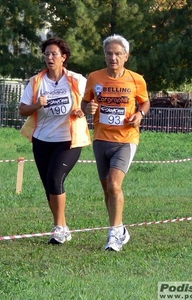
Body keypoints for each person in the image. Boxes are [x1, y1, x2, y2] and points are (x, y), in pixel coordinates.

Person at [81, 34, 150, 251]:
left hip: (126, 139)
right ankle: (120, 229)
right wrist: (87, 108)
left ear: (126, 56)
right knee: (107, 190)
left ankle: (113, 235)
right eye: (109, 53)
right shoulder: (94, 77)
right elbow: (86, 102)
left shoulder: (136, 79)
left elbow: (145, 102)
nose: (113, 57)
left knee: (114, 184)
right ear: (104, 55)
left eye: (118, 54)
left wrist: (140, 114)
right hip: (101, 139)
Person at [19, 37, 91, 244]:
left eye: (54, 54)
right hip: (42, 139)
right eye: (46, 54)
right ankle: (63, 226)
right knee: (48, 186)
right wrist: (37, 105)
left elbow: (89, 101)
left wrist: (83, 109)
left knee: (55, 178)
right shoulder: (36, 82)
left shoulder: (77, 80)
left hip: (69, 139)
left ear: (64, 58)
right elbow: (23, 110)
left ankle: (58, 229)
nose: (49, 58)